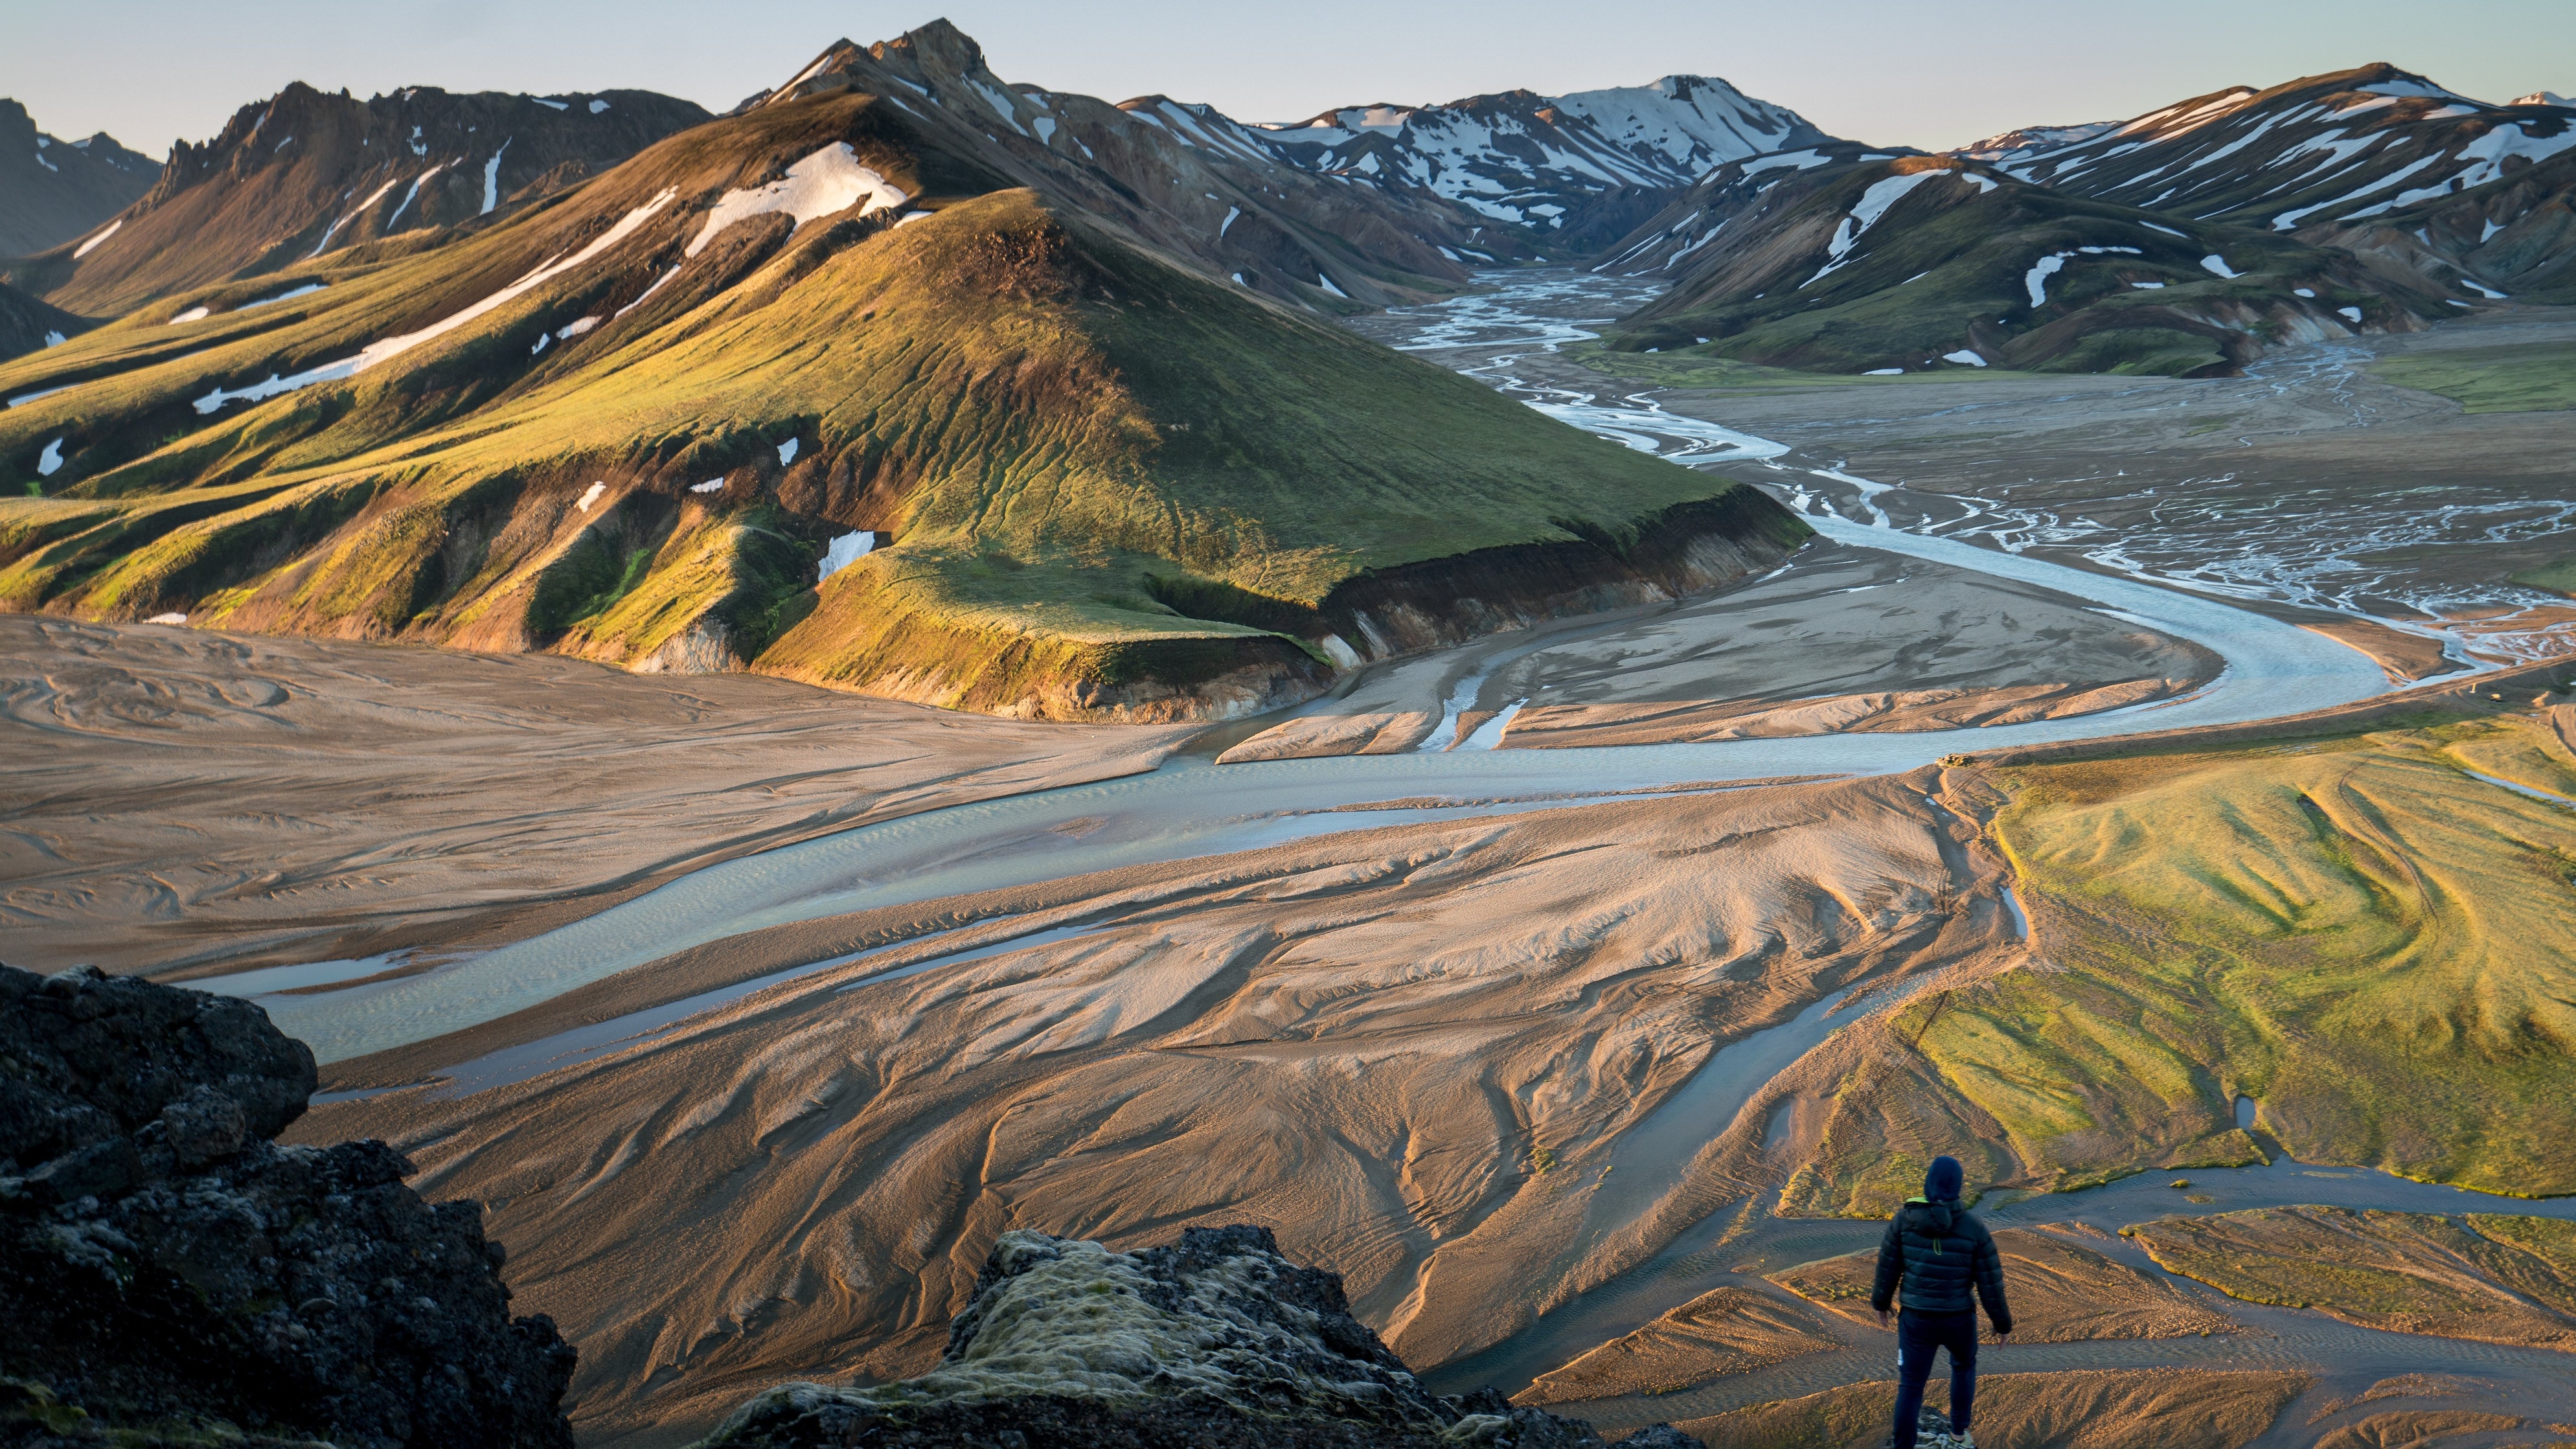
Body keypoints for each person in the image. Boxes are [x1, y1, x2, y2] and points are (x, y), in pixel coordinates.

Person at [1871, 1155, 2012, 1449]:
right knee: (1963, 1369)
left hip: (1916, 1320)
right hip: (1959, 1319)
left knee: (1910, 1386)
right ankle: (1958, 1436)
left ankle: (1904, 1446)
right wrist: (2002, 1325)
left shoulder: (1903, 1221)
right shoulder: (1974, 1227)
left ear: (1928, 1183)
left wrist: (1881, 1303)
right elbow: (1990, 1283)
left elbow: (1888, 1267)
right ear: (1958, 1187)